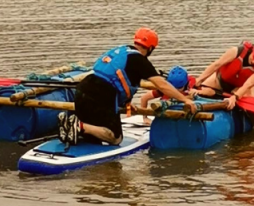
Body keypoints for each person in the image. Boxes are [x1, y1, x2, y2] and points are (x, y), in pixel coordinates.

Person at [60, 28, 195, 146]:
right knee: (116, 138)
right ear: (151, 48)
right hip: (100, 95)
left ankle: (75, 127)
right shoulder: (140, 61)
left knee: (93, 138)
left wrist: (128, 107)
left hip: (82, 89)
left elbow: (118, 81)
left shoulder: (121, 50)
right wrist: (186, 100)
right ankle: (79, 125)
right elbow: (162, 84)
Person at [194, 41, 254, 110]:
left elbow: (248, 84)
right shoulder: (237, 51)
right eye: (253, 57)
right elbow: (216, 65)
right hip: (219, 81)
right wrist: (199, 80)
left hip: (238, 88)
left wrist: (235, 97)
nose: (253, 62)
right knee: (200, 91)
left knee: (251, 100)